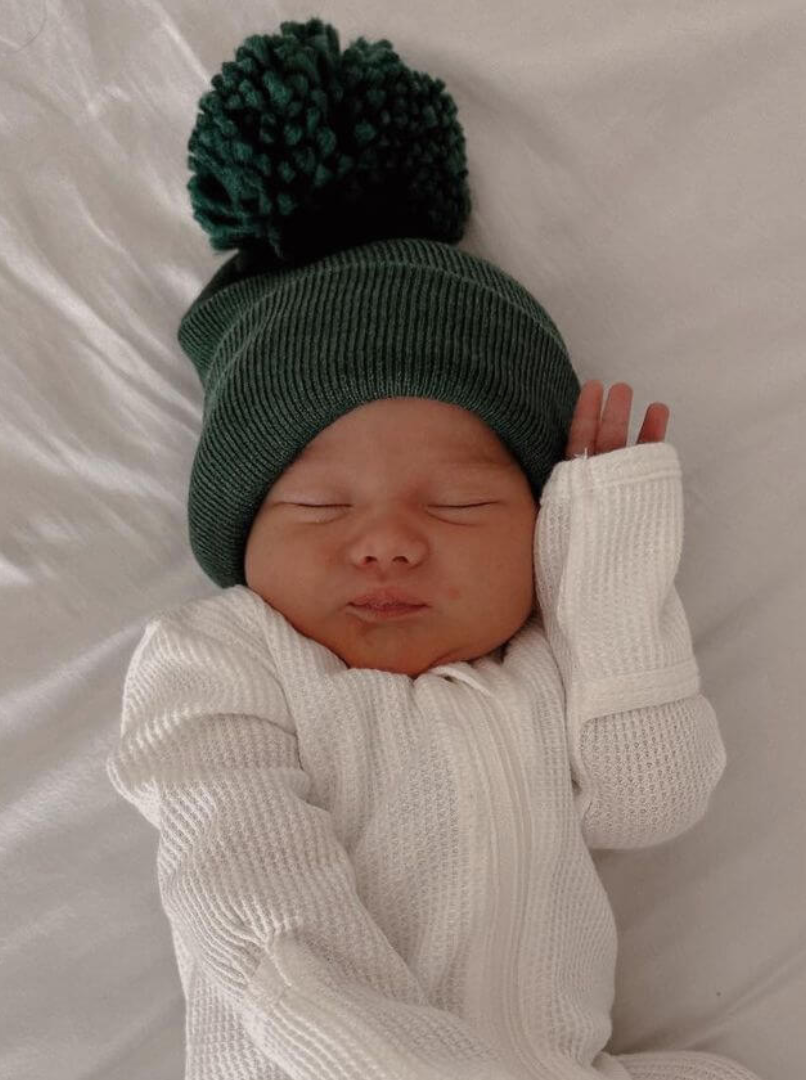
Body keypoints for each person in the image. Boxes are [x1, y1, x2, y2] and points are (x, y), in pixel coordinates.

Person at [106, 18, 763, 1080]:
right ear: (238, 529)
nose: (388, 545)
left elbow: (651, 797)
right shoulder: (220, 666)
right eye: (319, 504)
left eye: (458, 505)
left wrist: (604, 568)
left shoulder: (541, 665)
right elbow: (253, 915)